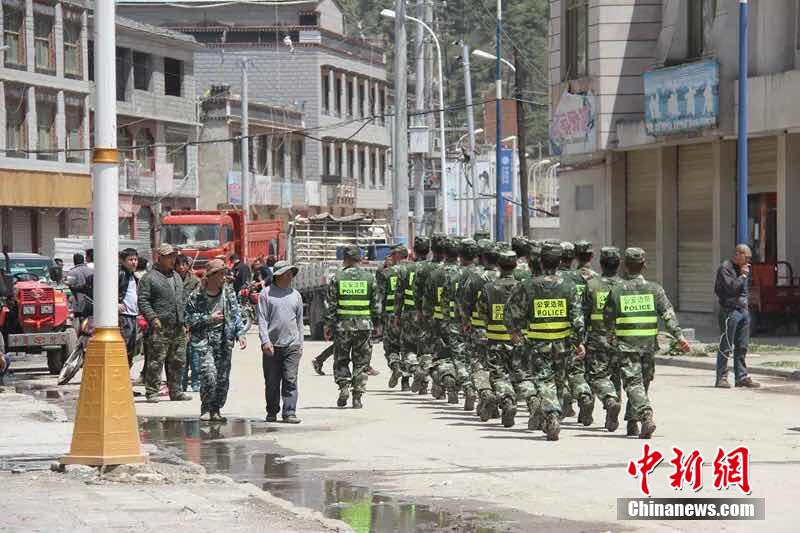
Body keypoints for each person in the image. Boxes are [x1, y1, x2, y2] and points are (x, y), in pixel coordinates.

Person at [603, 247, 690, 439]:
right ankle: (632, 422)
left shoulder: (617, 290)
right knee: (642, 383)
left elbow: (607, 318)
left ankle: (645, 415)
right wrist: (679, 336)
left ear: (625, 266)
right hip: (648, 347)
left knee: (634, 384)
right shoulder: (654, 289)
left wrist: (610, 337)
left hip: (626, 347)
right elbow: (668, 314)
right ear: (644, 265)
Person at [506, 241, 585, 441]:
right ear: (559, 262)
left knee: (544, 381)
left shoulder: (528, 285)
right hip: (563, 344)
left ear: (541, 261)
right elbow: (577, 319)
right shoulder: (568, 286)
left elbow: (512, 312)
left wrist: (514, 331)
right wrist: (578, 342)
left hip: (537, 344)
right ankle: (553, 413)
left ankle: (552, 415)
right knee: (558, 382)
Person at [186, 259, 247, 421]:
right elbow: (188, 319)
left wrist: (240, 333)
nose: (223, 277)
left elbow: (235, 314)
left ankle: (216, 409)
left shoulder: (228, 293)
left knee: (222, 378)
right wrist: (209, 318)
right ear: (211, 276)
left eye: (224, 274)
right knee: (209, 374)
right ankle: (206, 408)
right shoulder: (197, 295)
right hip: (204, 342)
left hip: (224, 341)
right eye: (220, 274)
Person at [325, 244, 380, 409]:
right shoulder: (370, 278)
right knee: (361, 362)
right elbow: (376, 305)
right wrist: (377, 324)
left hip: (343, 327)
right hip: (364, 326)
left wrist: (328, 325)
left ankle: (344, 386)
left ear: (346, 259)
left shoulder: (337, 278)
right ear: (359, 258)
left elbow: (331, 305)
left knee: (341, 359)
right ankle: (357, 397)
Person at [138, 244, 191, 403]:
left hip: (178, 326)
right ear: (159, 258)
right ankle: (152, 392)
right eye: (169, 257)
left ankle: (176, 391)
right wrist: (152, 318)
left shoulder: (176, 276)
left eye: (174, 256)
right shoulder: (149, 278)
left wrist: (184, 322)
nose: (172, 259)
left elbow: (182, 300)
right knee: (156, 360)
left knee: (178, 360)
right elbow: (143, 300)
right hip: (159, 326)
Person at [476, 250, 523, 427]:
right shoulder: (523, 287)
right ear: (515, 266)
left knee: (498, 376)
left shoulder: (488, 288)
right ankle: (532, 402)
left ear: (498, 266)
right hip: (518, 340)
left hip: (495, 340)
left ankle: (507, 400)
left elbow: (481, 313)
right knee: (520, 375)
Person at [258, 260, 304, 423]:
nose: (290, 276)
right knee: (272, 382)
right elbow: (262, 319)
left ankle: (289, 412)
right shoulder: (266, 294)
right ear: (278, 275)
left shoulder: (296, 295)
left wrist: (300, 344)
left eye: (291, 273)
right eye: (287, 273)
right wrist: (265, 341)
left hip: (292, 345)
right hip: (272, 346)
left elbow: (299, 322)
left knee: (290, 379)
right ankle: (272, 411)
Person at [584, 247, 623, 432]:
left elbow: (583, 314)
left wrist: (579, 339)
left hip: (597, 339)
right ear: (618, 264)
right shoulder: (624, 286)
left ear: (600, 264)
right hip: (621, 339)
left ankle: (607, 401)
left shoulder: (592, 285)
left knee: (596, 376)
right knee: (616, 377)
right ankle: (612, 417)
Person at [714, 244, 760, 389]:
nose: (748, 261)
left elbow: (743, 291)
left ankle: (741, 377)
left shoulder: (742, 268)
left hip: (742, 311)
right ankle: (721, 378)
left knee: (742, 346)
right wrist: (743, 276)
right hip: (730, 311)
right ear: (738, 254)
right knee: (726, 345)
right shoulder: (725, 268)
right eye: (747, 258)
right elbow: (731, 288)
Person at [177, 255, 202, 392]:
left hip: (193, 321)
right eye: (178, 264)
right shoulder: (172, 279)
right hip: (177, 321)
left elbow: (198, 301)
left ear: (188, 265)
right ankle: (182, 383)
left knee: (195, 354)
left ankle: (196, 382)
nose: (181, 267)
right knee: (180, 355)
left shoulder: (194, 281)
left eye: (184, 264)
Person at [118, 248, 139, 368]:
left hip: (133, 316)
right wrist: (115, 304)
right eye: (130, 260)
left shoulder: (133, 276)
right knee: (123, 346)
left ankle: (126, 371)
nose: (134, 262)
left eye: (135, 259)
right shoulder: (120, 274)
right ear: (123, 261)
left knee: (131, 348)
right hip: (124, 316)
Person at [66, 252, 93, 319]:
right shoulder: (91, 270)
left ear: (74, 261)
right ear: (83, 260)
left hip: (78, 301)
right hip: (91, 300)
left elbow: (70, 287)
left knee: (78, 319)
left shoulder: (72, 271)